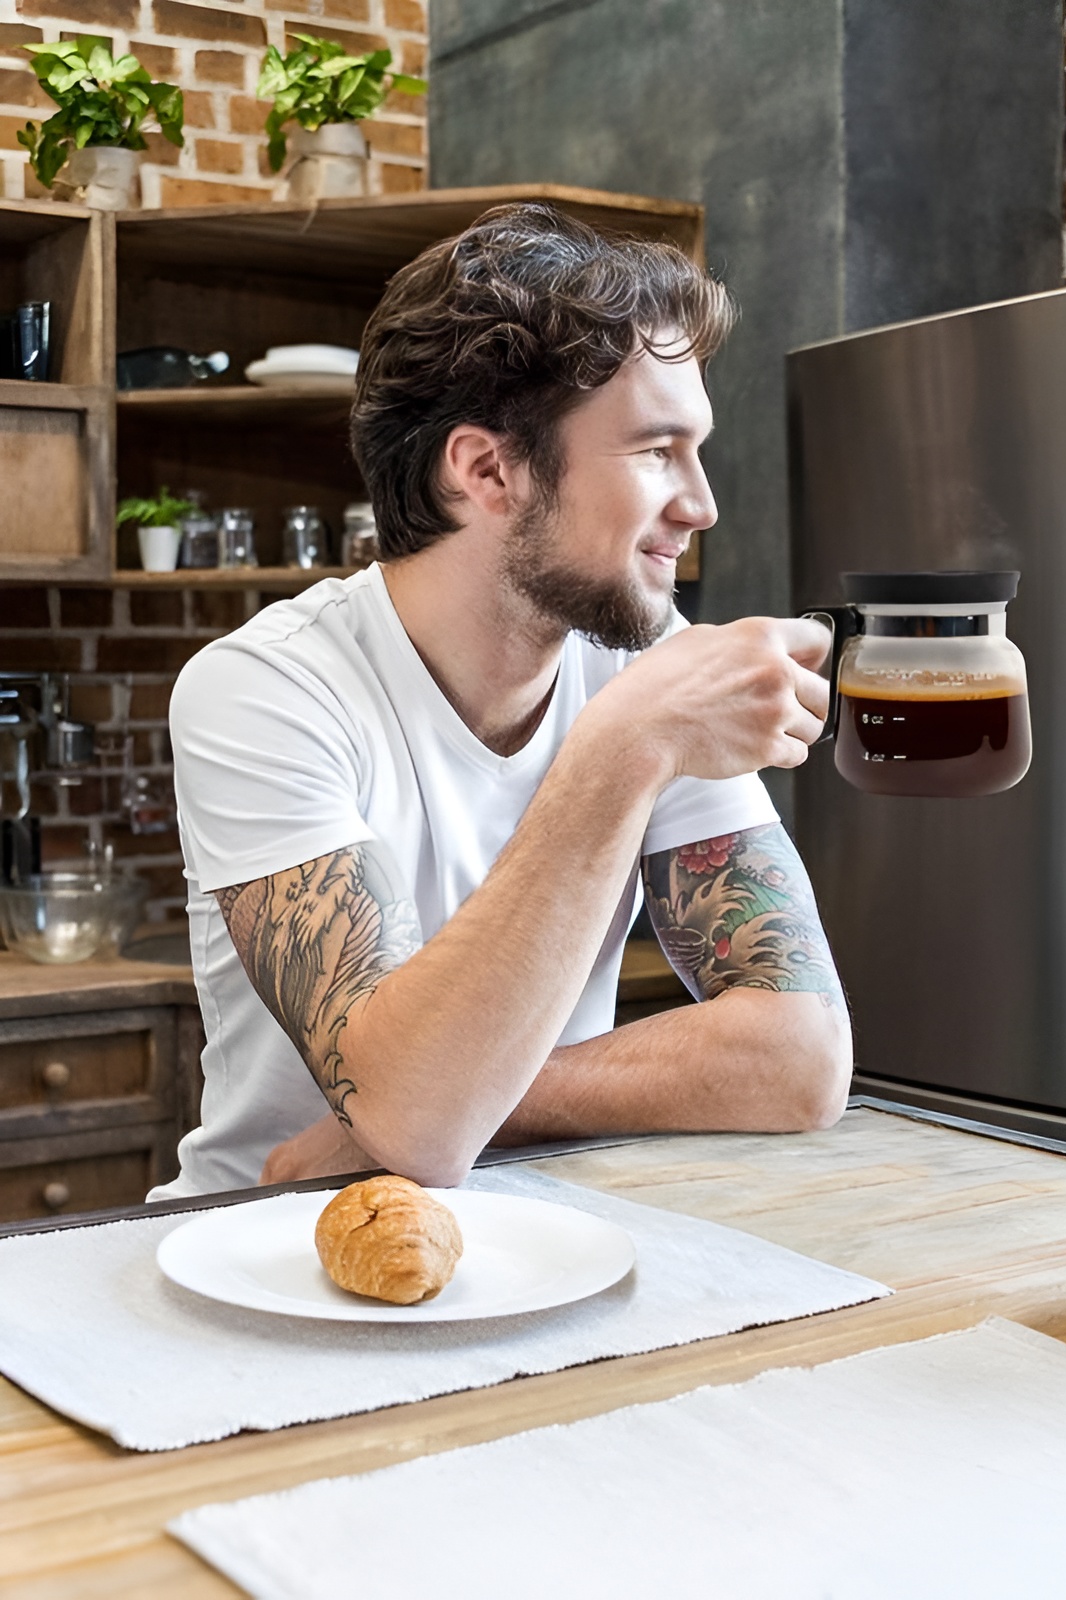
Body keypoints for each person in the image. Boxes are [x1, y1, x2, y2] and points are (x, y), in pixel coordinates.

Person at [150, 204, 849, 1199]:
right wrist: (626, 744)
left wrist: (428, 1111)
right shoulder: (268, 689)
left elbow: (802, 1055)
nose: (701, 504)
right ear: (487, 470)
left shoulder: (651, 671)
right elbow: (417, 1120)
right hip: (263, 1246)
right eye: (657, 451)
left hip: (538, 1237)